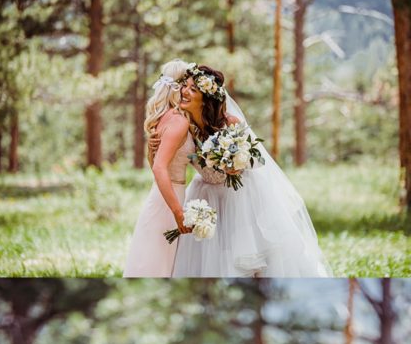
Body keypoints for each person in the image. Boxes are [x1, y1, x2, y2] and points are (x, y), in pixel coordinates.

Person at [172, 65, 331, 277]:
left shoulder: (230, 123)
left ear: (206, 98)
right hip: (207, 197)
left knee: (252, 258)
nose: (185, 91)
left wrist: (235, 164)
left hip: (242, 198)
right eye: (185, 86)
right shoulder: (183, 127)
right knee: (215, 259)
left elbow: (257, 160)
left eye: (193, 89)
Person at [123, 59, 194, 277]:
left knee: (152, 261)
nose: (191, 89)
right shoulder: (179, 121)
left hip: (159, 195)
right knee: (157, 265)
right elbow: (159, 169)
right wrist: (178, 212)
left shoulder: (163, 118)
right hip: (170, 199)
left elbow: (154, 162)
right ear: (179, 86)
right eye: (188, 85)